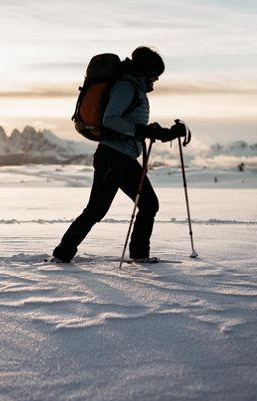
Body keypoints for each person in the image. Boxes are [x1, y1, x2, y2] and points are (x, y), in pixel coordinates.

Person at [52, 46, 191, 263]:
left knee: (149, 204)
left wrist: (167, 133)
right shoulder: (126, 87)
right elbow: (111, 119)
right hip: (112, 157)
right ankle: (62, 253)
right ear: (146, 71)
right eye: (155, 74)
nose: (156, 79)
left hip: (125, 158)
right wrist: (142, 131)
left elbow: (136, 126)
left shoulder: (135, 87)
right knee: (96, 210)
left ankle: (139, 255)